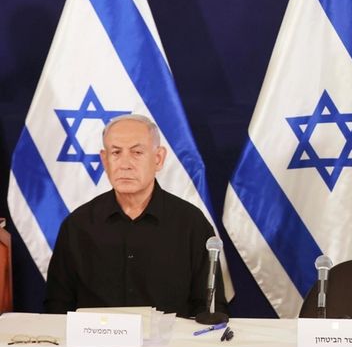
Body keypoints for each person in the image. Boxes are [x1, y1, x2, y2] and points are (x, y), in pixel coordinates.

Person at [44, 114, 226, 317]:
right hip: (96, 346)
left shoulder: (191, 223)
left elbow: (210, 307)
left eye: (137, 152)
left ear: (158, 159)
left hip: (169, 346)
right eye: (116, 153)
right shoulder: (78, 225)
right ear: (105, 160)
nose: (125, 164)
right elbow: (57, 307)